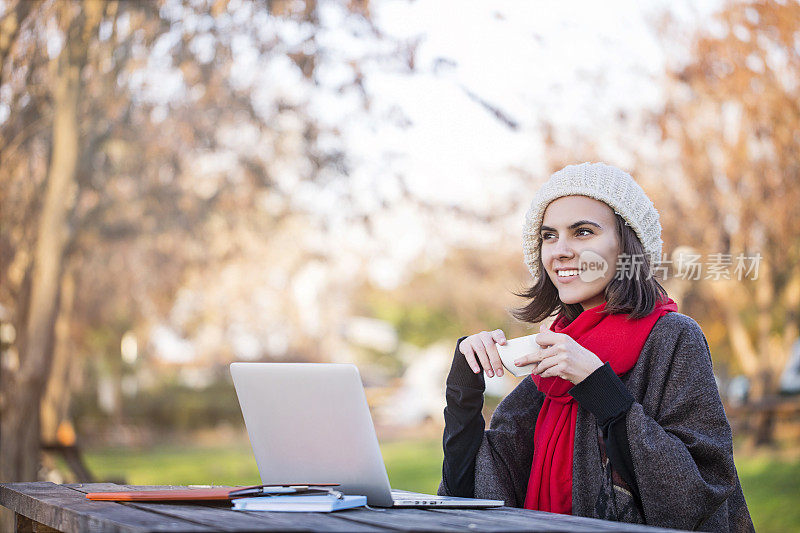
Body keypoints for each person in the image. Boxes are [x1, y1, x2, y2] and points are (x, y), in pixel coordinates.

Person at [437, 162, 754, 531]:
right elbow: (466, 496)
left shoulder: (672, 337)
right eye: (549, 236)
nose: (561, 251)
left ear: (627, 245)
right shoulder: (546, 363)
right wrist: (465, 386)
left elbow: (697, 492)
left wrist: (598, 385)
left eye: (583, 232)